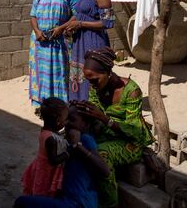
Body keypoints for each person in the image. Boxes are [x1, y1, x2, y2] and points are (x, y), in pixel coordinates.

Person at [74, 47, 154, 208]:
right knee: (74, 140)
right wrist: (83, 110)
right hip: (105, 133)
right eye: (89, 81)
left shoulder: (131, 92)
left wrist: (104, 118)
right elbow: (94, 115)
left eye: (94, 79)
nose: (91, 85)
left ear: (108, 73)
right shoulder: (95, 87)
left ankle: (110, 203)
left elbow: (134, 131)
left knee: (101, 154)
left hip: (130, 142)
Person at [15, 103, 110, 208]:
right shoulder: (67, 138)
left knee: (21, 202)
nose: (67, 123)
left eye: (72, 119)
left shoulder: (85, 139)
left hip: (78, 203)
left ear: (85, 124)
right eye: (67, 119)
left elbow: (105, 171)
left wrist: (77, 146)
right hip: (69, 200)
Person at [65, 0, 116, 102]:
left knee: (92, 74)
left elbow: (108, 22)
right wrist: (65, 27)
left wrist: (80, 24)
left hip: (93, 42)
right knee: (78, 75)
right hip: (80, 42)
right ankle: (80, 105)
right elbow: (79, 15)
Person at [29, 0, 78, 108]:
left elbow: (77, 15)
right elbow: (33, 15)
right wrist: (37, 31)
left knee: (59, 72)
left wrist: (61, 28)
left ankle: (60, 104)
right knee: (41, 73)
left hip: (59, 41)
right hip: (40, 41)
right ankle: (42, 103)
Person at [21, 97, 70, 197]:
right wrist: (67, 153)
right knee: (44, 193)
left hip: (39, 165)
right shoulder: (51, 139)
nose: (67, 122)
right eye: (65, 119)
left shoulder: (45, 131)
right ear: (58, 120)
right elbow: (53, 160)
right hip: (46, 171)